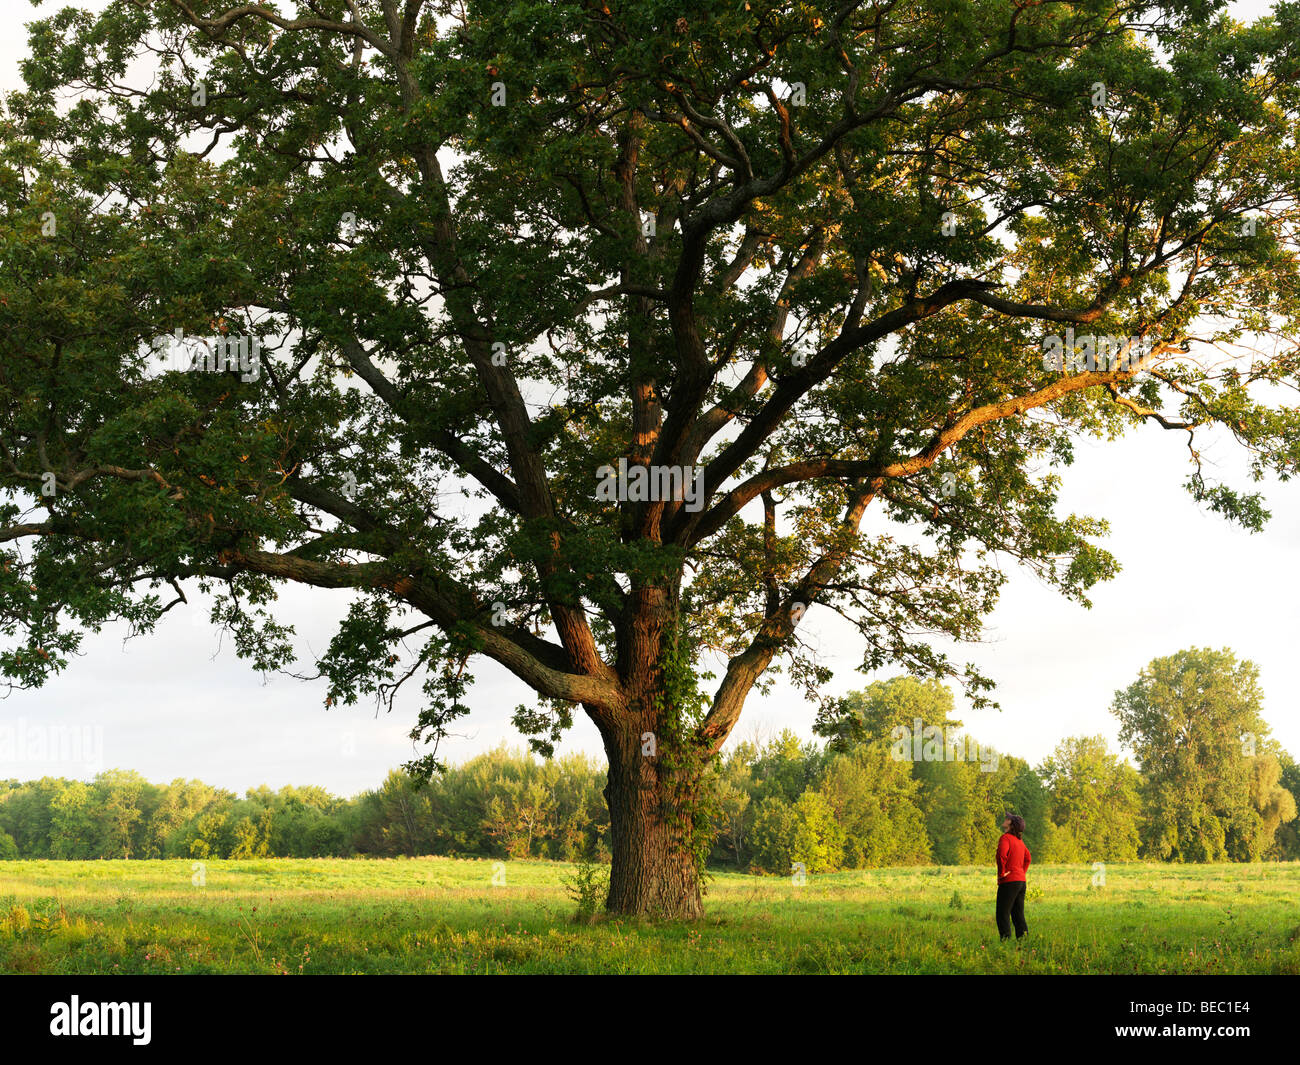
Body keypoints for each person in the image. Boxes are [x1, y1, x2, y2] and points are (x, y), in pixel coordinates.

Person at [995, 812, 1031, 941]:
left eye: (1007, 818)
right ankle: (1024, 941)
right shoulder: (1019, 841)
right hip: (1021, 881)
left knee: (1002, 914)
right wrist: (1021, 872)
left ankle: (1005, 942)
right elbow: (1028, 858)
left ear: (1011, 824)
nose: (1005, 819)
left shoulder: (1005, 838)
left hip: (1009, 881)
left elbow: (1001, 855)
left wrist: (1001, 874)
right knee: (1018, 914)